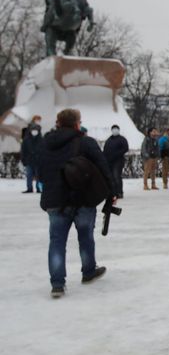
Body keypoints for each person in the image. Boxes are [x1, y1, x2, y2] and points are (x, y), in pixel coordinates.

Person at [39, 108, 114, 298]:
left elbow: (40, 171)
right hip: (83, 199)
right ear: (77, 123)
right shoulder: (86, 142)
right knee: (86, 236)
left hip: (55, 200)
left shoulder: (46, 143)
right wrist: (112, 191)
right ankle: (88, 271)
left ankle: (57, 284)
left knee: (56, 242)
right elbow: (102, 166)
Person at [103, 124, 129, 199]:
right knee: (110, 177)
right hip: (109, 161)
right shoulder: (109, 139)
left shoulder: (122, 139)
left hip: (118, 161)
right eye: (113, 129)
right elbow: (105, 149)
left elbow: (125, 148)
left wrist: (117, 154)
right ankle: (112, 192)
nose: (115, 130)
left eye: (116, 129)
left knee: (116, 176)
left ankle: (119, 192)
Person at [20, 120, 43, 193]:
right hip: (29, 161)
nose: (34, 131)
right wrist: (23, 159)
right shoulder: (26, 140)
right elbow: (23, 150)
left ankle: (39, 188)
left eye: (36, 130)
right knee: (29, 176)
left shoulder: (42, 140)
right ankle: (29, 188)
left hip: (38, 161)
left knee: (39, 176)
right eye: (33, 130)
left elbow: (44, 150)